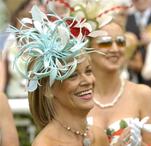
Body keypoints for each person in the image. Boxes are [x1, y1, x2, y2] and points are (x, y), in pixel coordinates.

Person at [13, 5, 108, 146]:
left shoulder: (99, 136)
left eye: (88, 71)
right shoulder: (45, 144)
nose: (87, 80)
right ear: (48, 90)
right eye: (73, 75)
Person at [88, 21, 151, 146]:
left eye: (121, 42)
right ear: (88, 48)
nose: (115, 49)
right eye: (105, 43)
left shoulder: (143, 94)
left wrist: (139, 144)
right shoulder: (75, 97)